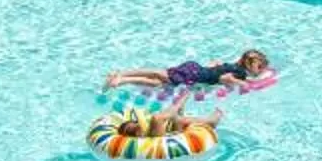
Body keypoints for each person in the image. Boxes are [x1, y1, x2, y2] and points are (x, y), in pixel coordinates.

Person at [104, 48, 273, 92]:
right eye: (260, 68)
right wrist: (244, 84)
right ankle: (121, 77)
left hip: (195, 68)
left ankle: (122, 77)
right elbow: (224, 79)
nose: (260, 71)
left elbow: (216, 64)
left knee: (157, 79)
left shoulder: (234, 65)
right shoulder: (240, 74)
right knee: (158, 77)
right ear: (251, 67)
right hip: (194, 75)